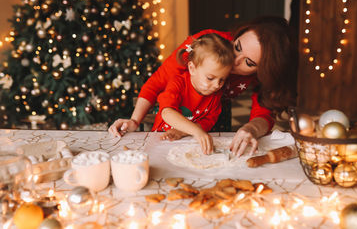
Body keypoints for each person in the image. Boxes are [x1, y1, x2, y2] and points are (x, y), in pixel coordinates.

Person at [108, 16, 298, 157]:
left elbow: (263, 113)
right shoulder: (205, 47)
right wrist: (134, 120)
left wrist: (251, 129)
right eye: (237, 47)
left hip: (210, 115)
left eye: (248, 63)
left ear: (263, 72)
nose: (233, 61)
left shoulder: (249, 82)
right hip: (178, 117)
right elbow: (158, 82)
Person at [152, 33, 234, 154]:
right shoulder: (178, 83)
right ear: (192, 68)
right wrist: (196, 131)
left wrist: (182, 132)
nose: (217, 85)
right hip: (161, 141)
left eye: (222, 79)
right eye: (210, 78)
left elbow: (207, 122)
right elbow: (167, 113)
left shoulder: (216, 94)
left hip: (189, 142)